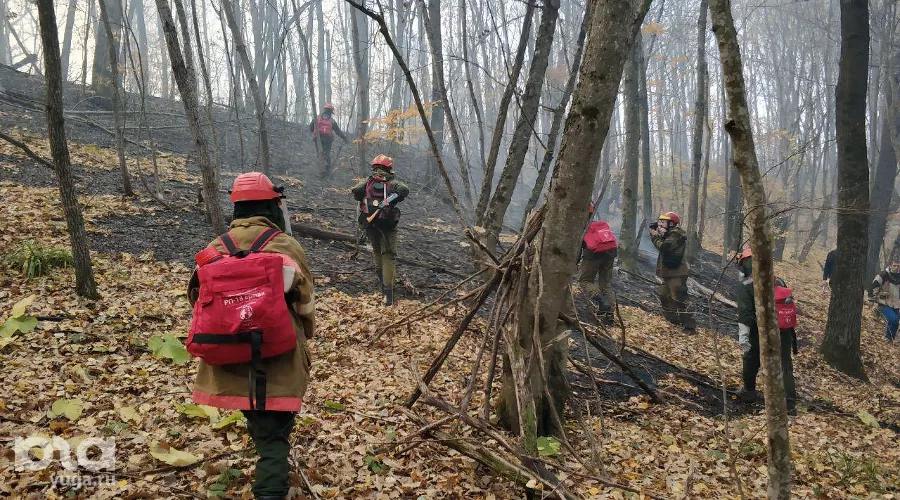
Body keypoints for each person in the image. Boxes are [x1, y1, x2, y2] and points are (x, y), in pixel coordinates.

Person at [186, 172, 315, 500]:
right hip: (277, 353)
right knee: (274, 435)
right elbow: (305, 303)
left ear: (237, 208)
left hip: (228, 356)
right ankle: (269, 489)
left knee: (261, 419)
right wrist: (306, 334)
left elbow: (196, 299)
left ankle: (266, 455)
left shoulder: (216, 248)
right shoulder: (286, 245)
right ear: (272, 206)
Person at [734, 249, 798, 413]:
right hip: (783, 330)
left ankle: (749, 391)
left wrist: (743, 337)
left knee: (750, 359)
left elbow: (745, 313)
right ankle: (789, 402)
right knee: (784, 363)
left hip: (759, 331)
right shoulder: (778, 281)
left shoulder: (746, 286)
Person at [352, 154, 409, 306]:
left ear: (374, 167)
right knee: (388, 255)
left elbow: (356, 190)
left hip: (370, 224)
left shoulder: (368, 182)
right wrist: (394, 197)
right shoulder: (392, 182)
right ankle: (389, 294)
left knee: (377, 251)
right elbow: (404, 189)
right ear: (389, 168)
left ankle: (382, 283)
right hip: (388, 224)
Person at [649, 211, 696, 332]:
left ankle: (690, 326)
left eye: (663, 222)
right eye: (660, 222)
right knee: (663, 295)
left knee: (680, 299)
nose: (660, 224)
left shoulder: (676, 235)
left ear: (671, 224)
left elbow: (664, 247)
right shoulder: (669, 234)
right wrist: (658, 234)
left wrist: (655, 236)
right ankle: (674, 320)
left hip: (677, 273)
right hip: (667, 273)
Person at [578, 203, 618, 324]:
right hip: (610, 254)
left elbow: (578, 248)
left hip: (593, 256)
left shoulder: (582, 227)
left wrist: (575, 263)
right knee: (606, 284)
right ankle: (609, 315)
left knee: (585, 281)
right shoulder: (598, 225)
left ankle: (601, 301)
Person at [867, 259, 900, 342]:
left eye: (898, 266)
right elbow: (874, 286)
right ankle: (887, 337)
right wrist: (871, 300)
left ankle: (891, 338)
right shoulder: (883, 275)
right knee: (892, 319)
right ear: (890, 265)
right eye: (894, 265)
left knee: (896, 322)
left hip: (896, 304)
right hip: (884, 303)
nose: (896, 267)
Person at [309, 103, 347, 174]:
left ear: (324, 110)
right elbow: (337, 131)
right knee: (326, 154)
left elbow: (311, 128)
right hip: (328, 139)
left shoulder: (317, 118)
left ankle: (320, 168)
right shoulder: (332, 121)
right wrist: (344, 138)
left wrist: (315, 134)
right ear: (331, 112)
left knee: (319, 153)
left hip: (317, 139)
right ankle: (327, 169)